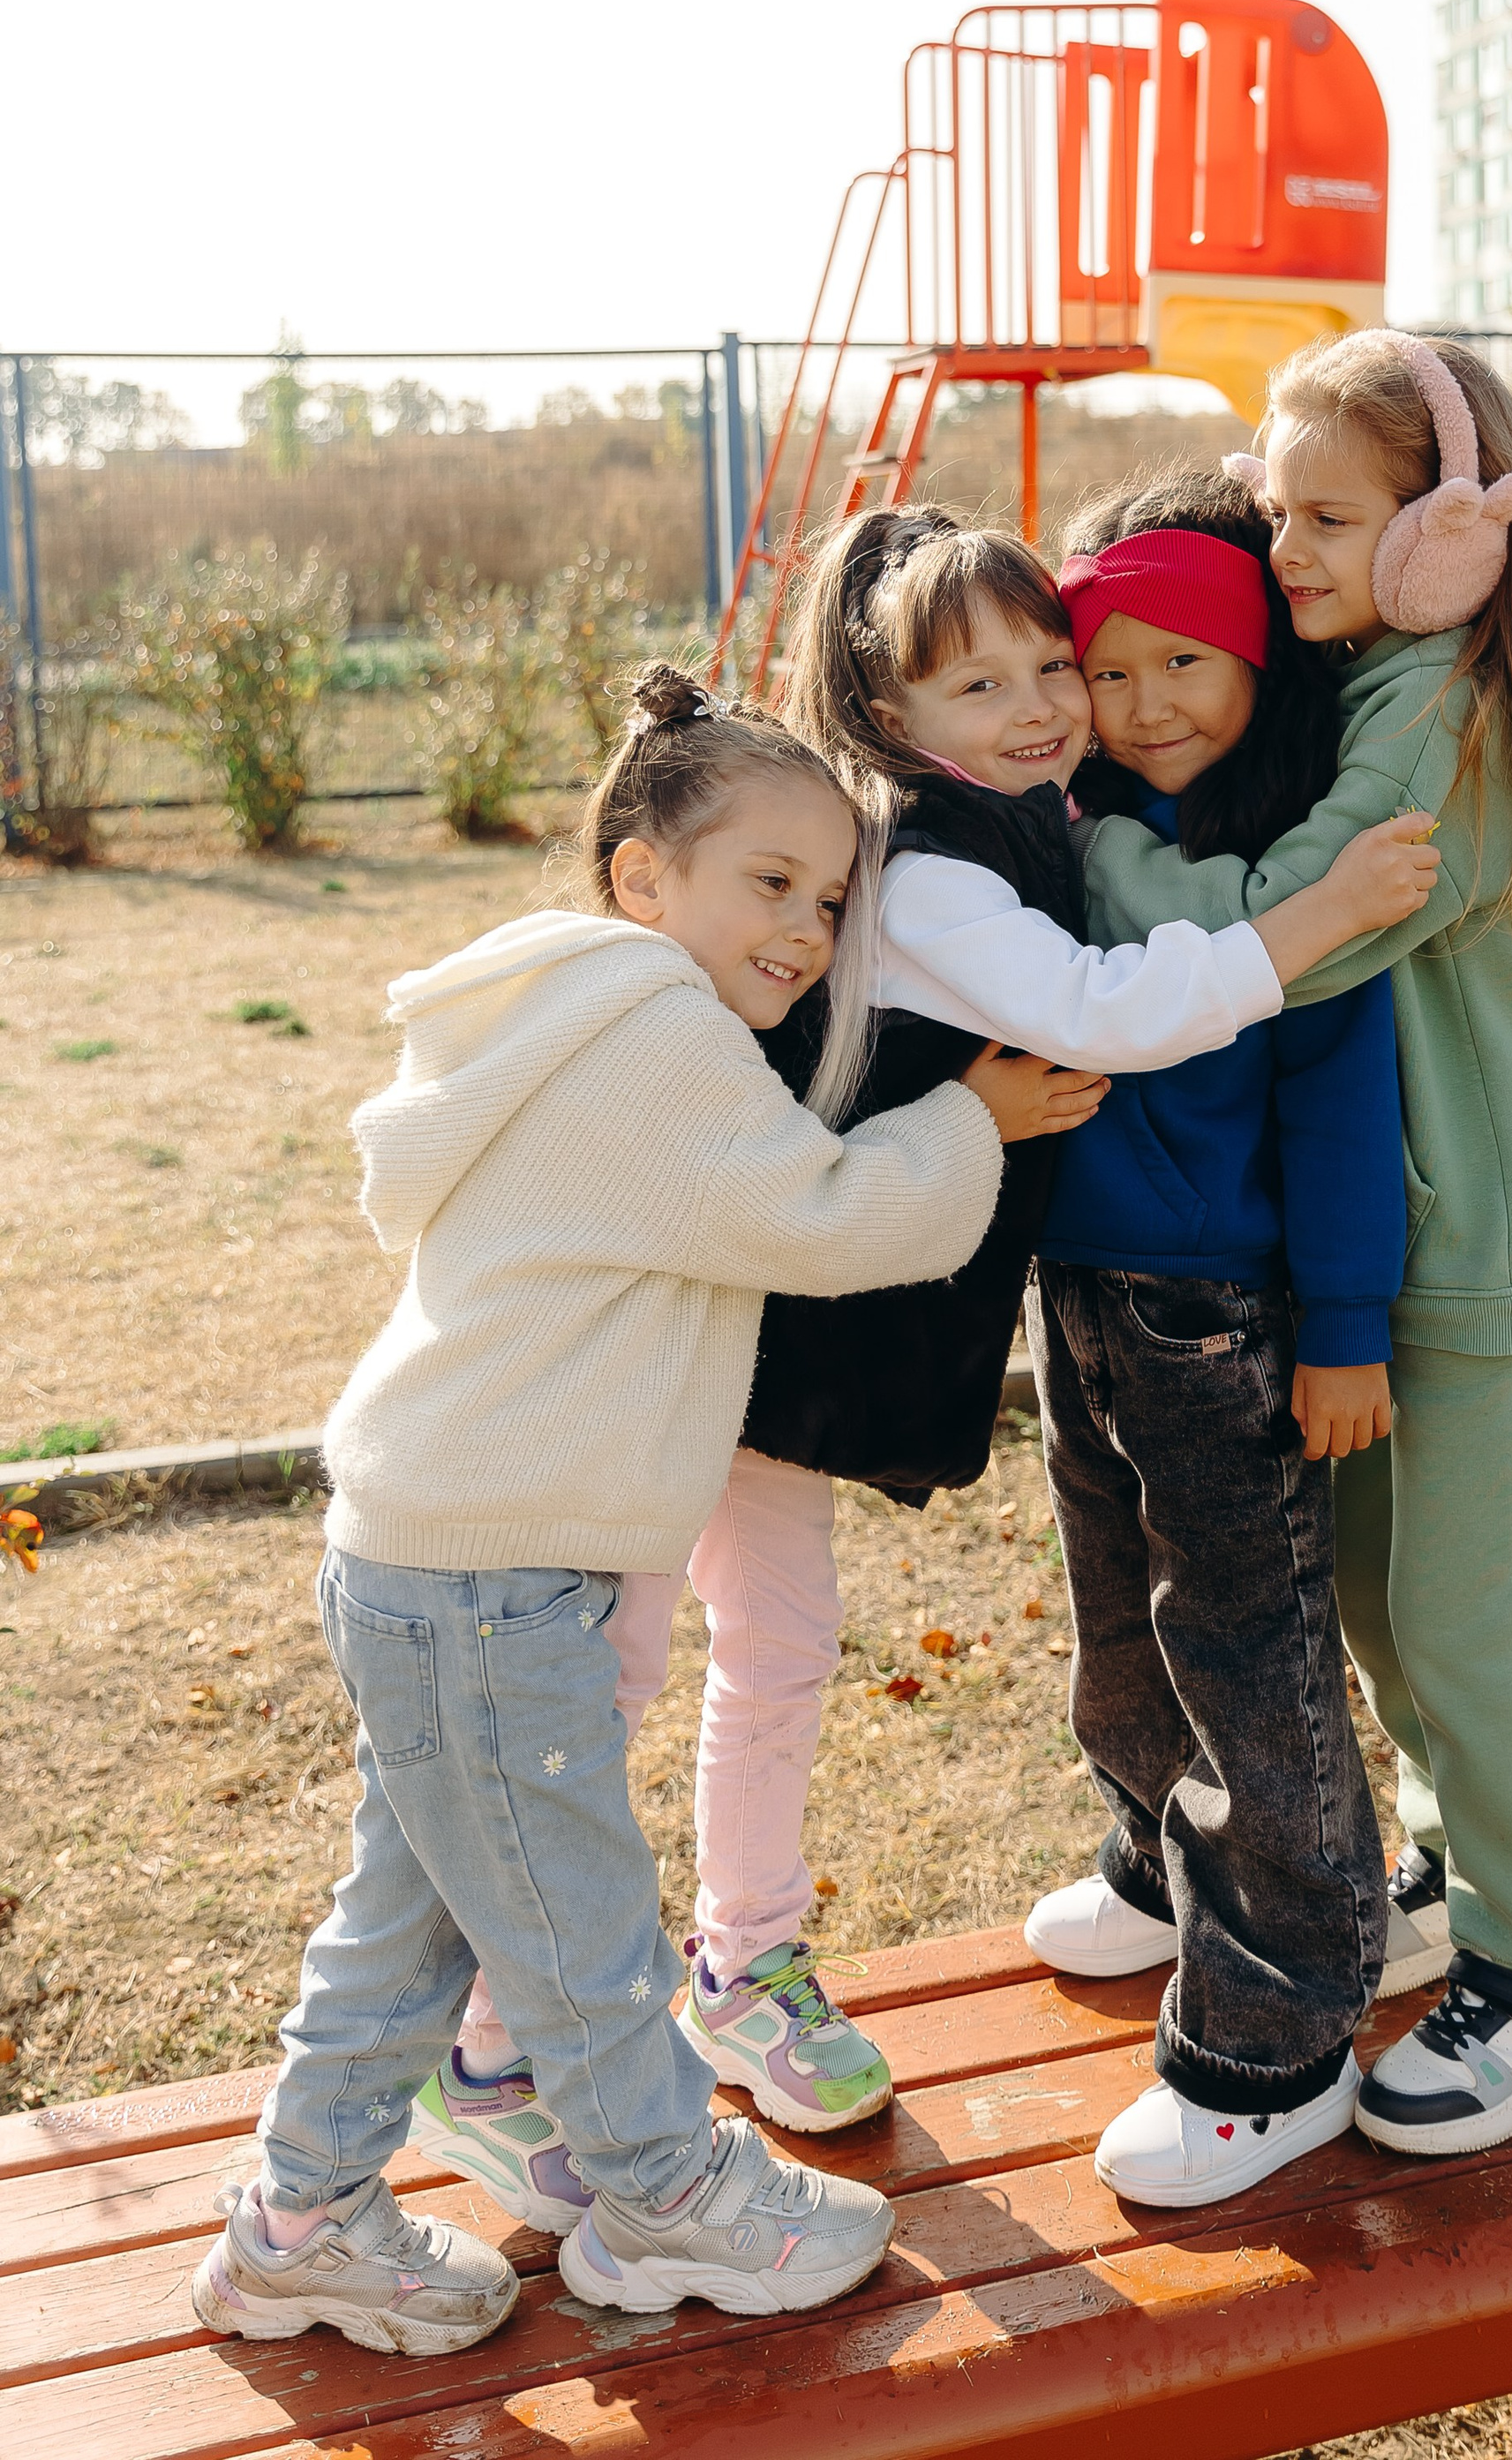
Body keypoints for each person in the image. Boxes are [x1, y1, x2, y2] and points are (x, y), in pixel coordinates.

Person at [425, 515, 1441, 2167]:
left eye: (1055, 666)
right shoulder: (944, 863)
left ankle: (739, 1961)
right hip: (716, 1329)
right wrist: (1314, 918)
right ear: (890, 712)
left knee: (774, 1651)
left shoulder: (1015, 824)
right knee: (604, 1672)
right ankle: (495, 2042)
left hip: (788, 1341)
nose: (1043, 703)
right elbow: (1109, 1013)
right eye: (982, 680)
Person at [193, 669, 1078, 2358]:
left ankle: (300, 2222)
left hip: (437, 1547)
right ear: (638, 876)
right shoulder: (657, 1034)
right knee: (576, 1916)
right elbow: (812, 1216)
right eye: (770, 883)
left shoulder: (576, 1018)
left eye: (831, 901)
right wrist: (974, 1113)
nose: (810, 930)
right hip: (490, 1567)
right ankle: (667, 2196)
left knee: (421, 1905)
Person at [1076, 334, 1512, 2166]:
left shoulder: (1447, 707)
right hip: (1418, 1231)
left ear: (1452, 528)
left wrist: (1104, 875)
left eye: (1329, 516)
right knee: (1380, 1600)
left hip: (1484, 1237)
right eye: (1276, 511)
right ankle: (1457, 1874)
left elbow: (1306, 937)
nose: (1287, 550)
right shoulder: (1400, 675)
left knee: (1466, 1620)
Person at [1019, 470, 1419, 2211]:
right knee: (1118, 1622)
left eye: (1187, 660)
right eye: (1108, 670)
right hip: (1084, 1300)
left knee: (1251, 1656)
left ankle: (1273, 2030)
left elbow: (1341, 1118)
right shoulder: (1049, 834)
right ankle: (1154, 1856)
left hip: (1230, 1320)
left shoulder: (1299, 879)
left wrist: (1340, 1331)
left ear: (1257, 664)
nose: (1148, 702)